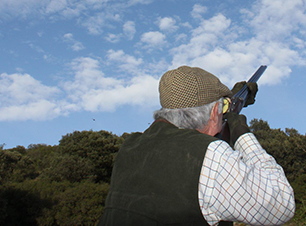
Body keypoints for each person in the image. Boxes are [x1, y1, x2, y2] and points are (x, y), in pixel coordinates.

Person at [99, 66, 295, 226]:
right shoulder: (211, 156)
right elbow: (281, 205)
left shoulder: (130, 147)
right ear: (215, 111)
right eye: (223, 109)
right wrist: (241, 131)